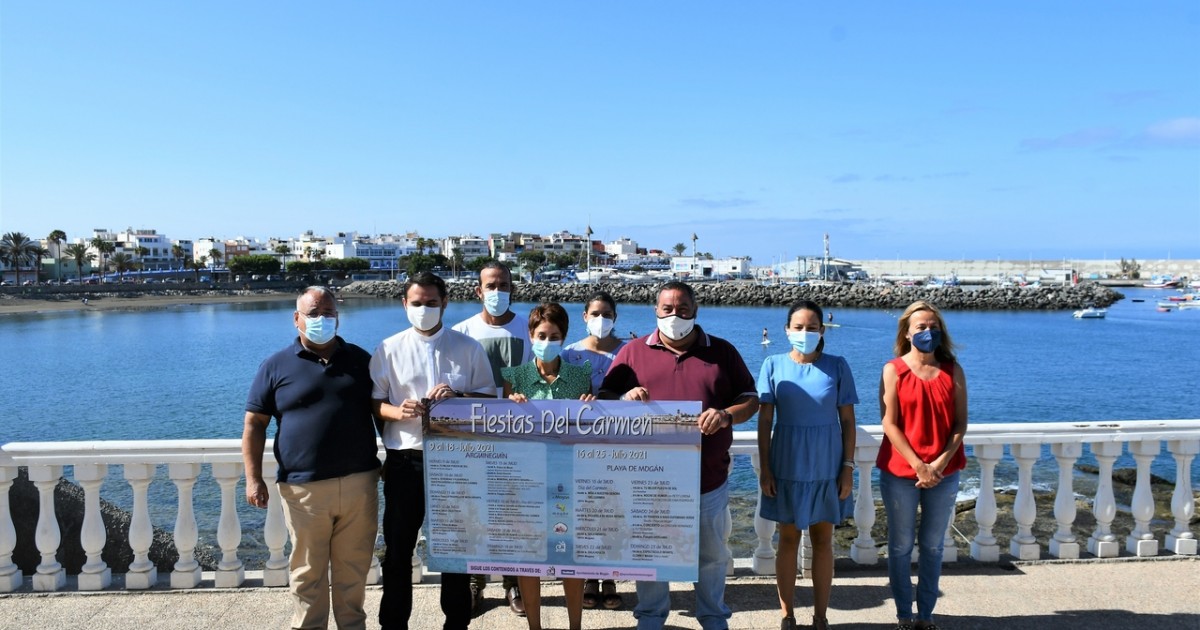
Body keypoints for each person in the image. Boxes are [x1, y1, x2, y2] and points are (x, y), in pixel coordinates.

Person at [599, 281, 759, 630]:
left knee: (712, 557)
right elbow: (604, 401)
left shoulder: (723, 351)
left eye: (682, 308)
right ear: (655, 311)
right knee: (651, 555)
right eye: (667, 309)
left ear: (695, 311)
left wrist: (727, 415)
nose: (675, 315)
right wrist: (624, 400)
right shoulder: (632, 352)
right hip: (648, 481)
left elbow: (751, 399)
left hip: (708, 480)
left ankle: (713, 618)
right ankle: (651, 618)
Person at [242, 286, 381, 630]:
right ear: (296, 319)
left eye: (328, 313)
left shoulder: (362, 360)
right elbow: (254, 424)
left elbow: (382, 414)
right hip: (303, 489)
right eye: (313, 314)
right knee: (307, 573)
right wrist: (253, 477)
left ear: (338, 317)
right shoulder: (275, 366)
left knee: (354, 570)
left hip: (359, 483)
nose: (322, 320)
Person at [370, 272, 496, 630]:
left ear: (445, 304)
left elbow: (490, 401)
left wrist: (458, 398)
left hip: (455, 463)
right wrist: (399, 411)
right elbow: (375, 402)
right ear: (404, 304)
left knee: (455, 550)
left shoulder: (468, 348)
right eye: (417, 303)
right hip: (405, 462)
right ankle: (393, 625)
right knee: (397, 551)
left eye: (431, 303)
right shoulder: (388, 348)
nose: (424, 309)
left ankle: (456, 624)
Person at [757, 300, 858, 630]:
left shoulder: (838, 366)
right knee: (786, 540)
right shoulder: (772, 364)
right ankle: (787, 615)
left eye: (811, 327)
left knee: (823, 542)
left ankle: (820, 617)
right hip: (786, 462)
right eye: (798, 327)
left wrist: (847, 468)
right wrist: (767, 470)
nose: (804, 332)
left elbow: (848, 421)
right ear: (787, 330)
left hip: (827, 465)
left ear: (822, 330)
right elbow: (764, 422)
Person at [500, 301, 594, 630]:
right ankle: (535, 627)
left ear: (564, 337)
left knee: (571, 558)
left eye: (555, 335)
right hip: (527, 479)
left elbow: (589, 426)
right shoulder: (514, 376)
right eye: (542, 334)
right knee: (529, 559)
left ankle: (575, 626)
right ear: (530, 335)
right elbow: (501, 427)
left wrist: (590, 407)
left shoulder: (581, 376)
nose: (548, 340)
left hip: (569, 478)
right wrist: (510, 406)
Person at [876, 300, 968, 630]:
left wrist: (939, 463)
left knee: (932, 545)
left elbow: (960, 424)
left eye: (933, 326)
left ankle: (926, 614)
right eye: (920, 327)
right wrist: (919, 465)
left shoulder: (953, 371)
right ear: (906, 332)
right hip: (901, 472)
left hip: (944, 471)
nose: (928, 331)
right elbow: (890, 423)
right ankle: (904, 613)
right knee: (900, 546)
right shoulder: (893, 370)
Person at [450, 260, 532, 615]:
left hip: (519, 435)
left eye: (504, 285)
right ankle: (475, 582)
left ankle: (514, 583)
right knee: (474, 512)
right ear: (478, 291)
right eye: (491, 285)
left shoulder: (529, 329)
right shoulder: (461, 332)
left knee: (513, 513)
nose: (497, 292)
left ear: (513, 288)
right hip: (475, 438)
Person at [560, 291, 625, 610]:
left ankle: (610, 575)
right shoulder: (569, 353)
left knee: (612, 512)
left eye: (607, 314)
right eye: (595, 313)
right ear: (584, 316)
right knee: (584, 515)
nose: (601, 319)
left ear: (615, 318)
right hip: (579, 446)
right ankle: (588, 576)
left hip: (618, 445)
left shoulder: (629, 352)